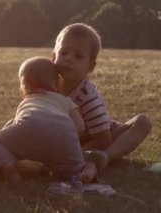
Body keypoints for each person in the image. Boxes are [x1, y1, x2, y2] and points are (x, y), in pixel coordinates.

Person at [0, 57, 108, 185]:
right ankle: (87, 170)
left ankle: (8, 165)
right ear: (56, 84)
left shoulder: (28, 100)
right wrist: (65, 139)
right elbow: (80, 126)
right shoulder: (65, 100)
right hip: (64, 129)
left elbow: (17, 127)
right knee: (76, 166)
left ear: (29, 83)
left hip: (31, 122)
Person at [53, 23, 152, 162]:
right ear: (53, 57)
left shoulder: (87, 96)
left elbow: (103, 140)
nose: (68, 59)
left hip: (102, 135)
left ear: (90, 66)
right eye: (63, 53)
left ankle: (104, 157)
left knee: (143, 122)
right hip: (70, 140)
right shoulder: (48, 85)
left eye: (78, 56)